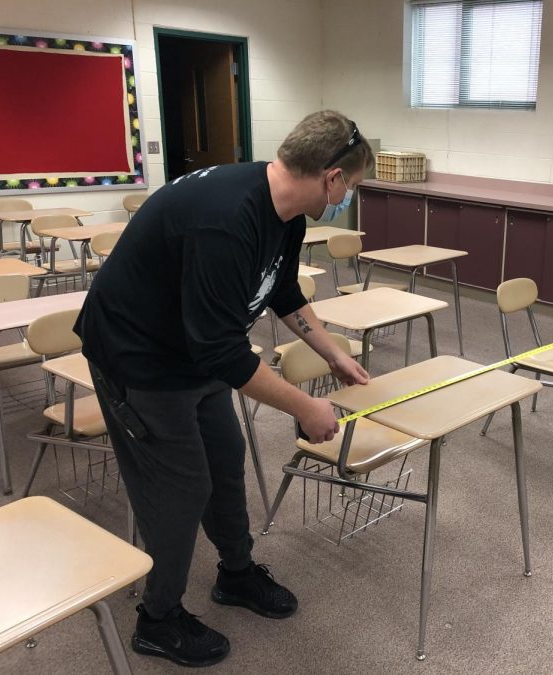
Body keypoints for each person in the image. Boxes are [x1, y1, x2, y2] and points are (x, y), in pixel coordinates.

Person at [74, 110, 372, 668]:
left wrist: (332, 352)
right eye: (350, 186)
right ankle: (157, 620)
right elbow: (222, 352)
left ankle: (236, 575)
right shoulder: (227, 218)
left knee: (226, 459)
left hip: (196, 346)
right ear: (331, 177)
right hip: (139, 358)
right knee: (180, 488)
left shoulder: (285, 214)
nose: (346, 197)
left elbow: (280, 292)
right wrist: (306, 406)